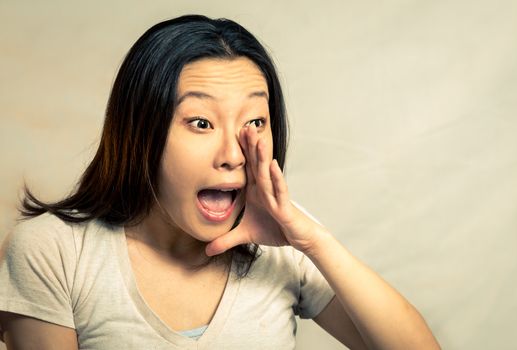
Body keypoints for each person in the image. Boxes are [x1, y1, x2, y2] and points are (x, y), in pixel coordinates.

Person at [0, 15, 440, 349]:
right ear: (139, 132)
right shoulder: (54, 252)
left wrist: (314, 242)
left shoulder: (285, 247)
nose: (232, 155)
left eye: (254, 121)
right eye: (200, 122)